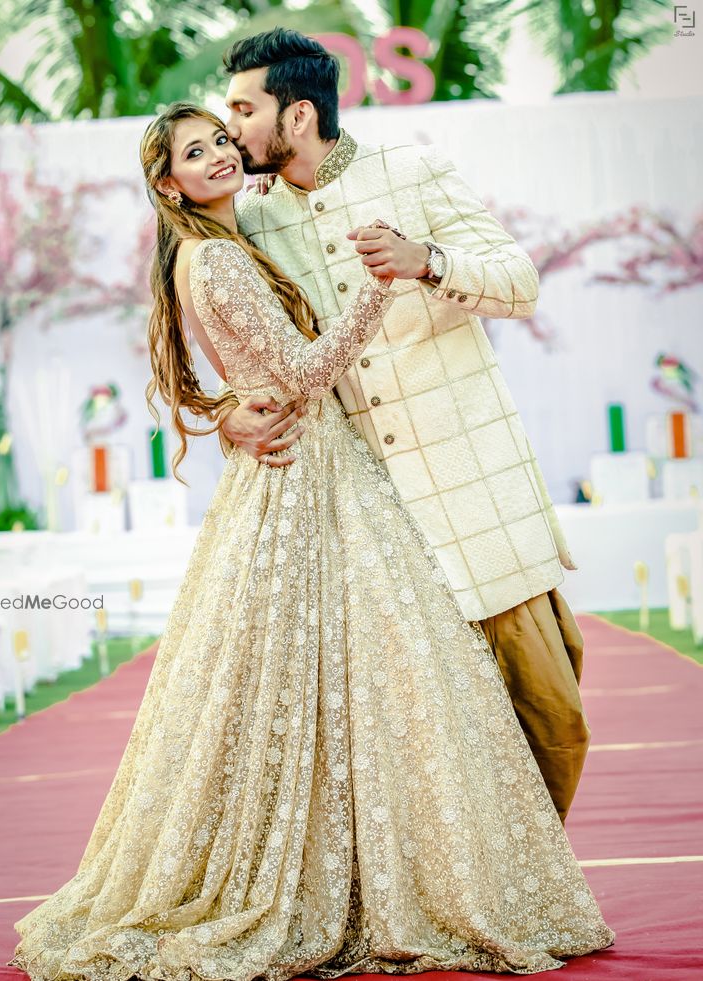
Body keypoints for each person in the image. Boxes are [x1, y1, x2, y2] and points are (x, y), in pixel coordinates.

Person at [7, 102, 613, 980]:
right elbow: (300, 374)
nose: (223, 150)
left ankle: (368, 873)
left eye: (226, 133)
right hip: (313, 473)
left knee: (338, 688)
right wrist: (379, 284)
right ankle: (358, 882)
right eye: (199, 148)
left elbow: (244, 368)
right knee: (368, 682)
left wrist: (229, 407)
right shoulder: (212, 256)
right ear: (166, 182)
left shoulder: (231, 232)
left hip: (333, 472)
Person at [219, 28, 589, 825]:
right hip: (368, 522)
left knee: (553, 716)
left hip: (476, 497)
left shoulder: (411, 170)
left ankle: (535, 882)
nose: (231, 127)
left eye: (245, 108)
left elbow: (522, 284)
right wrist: (228, 417)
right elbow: (235, 351)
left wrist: (428, 259)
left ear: (299, 115)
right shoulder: (249, 226)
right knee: (419, 741)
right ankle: (472, 899)